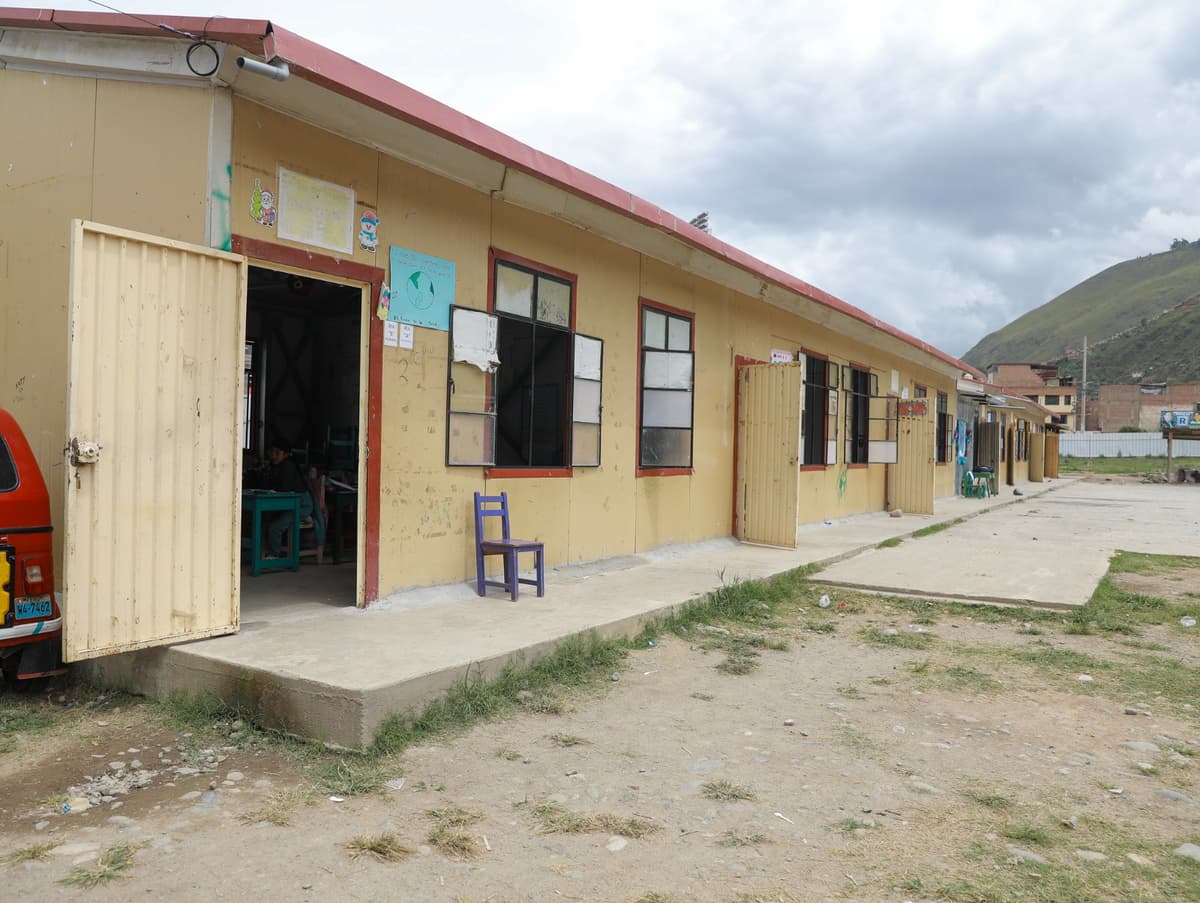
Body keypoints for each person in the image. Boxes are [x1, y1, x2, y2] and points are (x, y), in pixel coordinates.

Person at [264, 442, 314, 559]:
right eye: (273, 452)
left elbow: (283, 488)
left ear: (285, 454)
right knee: (267, 521)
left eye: (278, 453)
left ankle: (275, 554)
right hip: (291, 504)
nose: (274, 455)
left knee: (275, 527)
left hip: (302, 505)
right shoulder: (277, 466)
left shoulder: (288, 466)